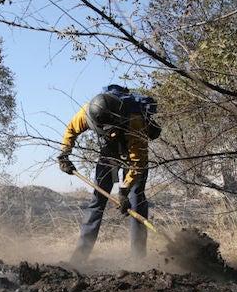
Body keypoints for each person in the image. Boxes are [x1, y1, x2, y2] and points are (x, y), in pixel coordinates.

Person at [57, 84, 161, 263]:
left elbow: (137, 161)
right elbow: (71, 130)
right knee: (98, 199)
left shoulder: (135, 120)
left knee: (137, 199)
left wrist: (124, 190)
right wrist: (64, 154)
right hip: (110, 150)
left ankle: (138, 259)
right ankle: (80, 258)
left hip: (133, 151)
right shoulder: (88, 111)